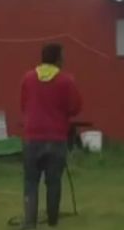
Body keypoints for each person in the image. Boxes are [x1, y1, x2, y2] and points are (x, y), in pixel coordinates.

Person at [20, 44, 82, 228]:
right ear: (57, 59)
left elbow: (23, 105)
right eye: (63, 56)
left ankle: (30, 223)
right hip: (56, 139)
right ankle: (52, 221)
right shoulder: (66, 80)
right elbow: (75, 107)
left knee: (31, 181)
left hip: (32, 138)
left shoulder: (28, 78)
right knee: (53, 182)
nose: (64, 60)